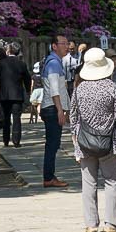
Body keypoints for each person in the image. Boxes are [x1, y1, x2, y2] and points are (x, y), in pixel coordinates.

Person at [70, 48, 116, 232]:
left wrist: (75, 145)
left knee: (88, 182)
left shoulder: (79, 89)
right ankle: (111, 224)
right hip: (109, 141)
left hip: (84, 141)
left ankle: (91, 224)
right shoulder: (112, 88)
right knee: (112, 181)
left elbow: (73, 118)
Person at [41, 35, 73, 188]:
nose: (67, 46)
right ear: (54, 46)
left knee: (53, 144)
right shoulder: (53, 63)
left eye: (67, 43)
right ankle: (48, 177)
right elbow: (55, 89)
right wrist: (60, 110)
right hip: (52, 108)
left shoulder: (55, 62)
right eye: (64, 43)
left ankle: (49, 175)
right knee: (52, 144)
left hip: (53, 107)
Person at [0, 42, 31, 148]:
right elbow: (27, 79)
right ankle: (16, 141)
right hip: (17, 95)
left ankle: (6, 140)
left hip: (4, 95)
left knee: (6, 117)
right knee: (16, 118)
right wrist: (28, 90)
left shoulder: (1, 63)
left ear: (8, 51)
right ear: (18, 52)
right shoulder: (21, 64)